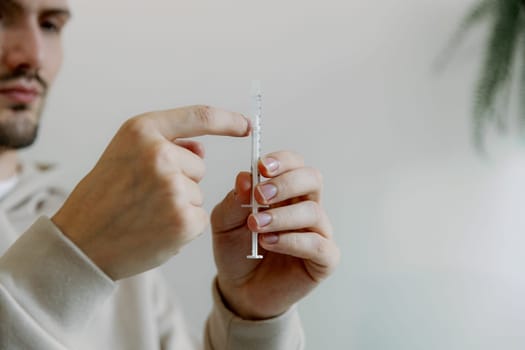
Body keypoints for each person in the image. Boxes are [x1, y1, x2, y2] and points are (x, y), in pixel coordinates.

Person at [0, 0, 340, 349]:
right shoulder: (93, 235)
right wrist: (74, 258)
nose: (33, 55)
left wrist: (254, 320)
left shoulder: (109, 240)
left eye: (50, 25)